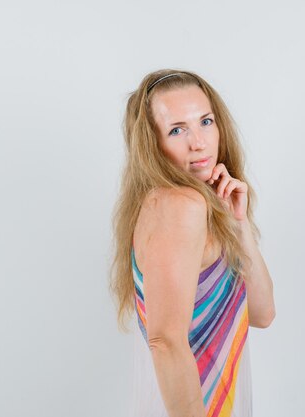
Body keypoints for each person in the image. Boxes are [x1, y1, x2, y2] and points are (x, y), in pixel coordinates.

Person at [109, 69, 276, 417]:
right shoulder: (179, 205)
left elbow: (261, 313)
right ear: (151, 144)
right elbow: (165, 342)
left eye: (205, 121)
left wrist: (238, 224)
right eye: (176, 129)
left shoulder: (194, 206)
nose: (198, 142)